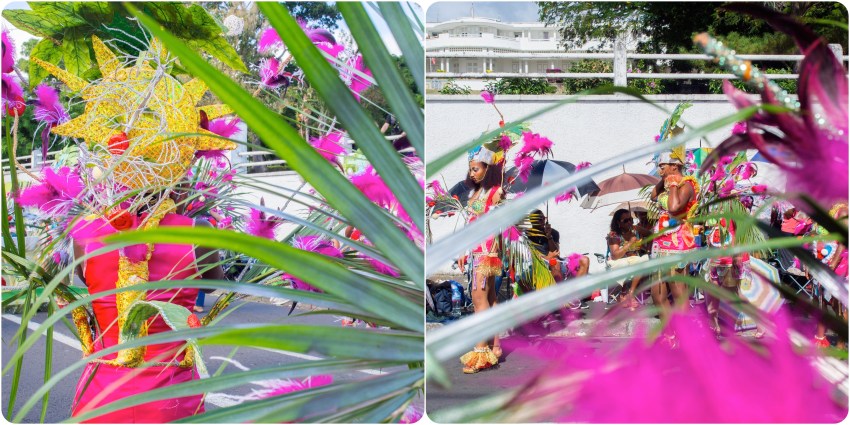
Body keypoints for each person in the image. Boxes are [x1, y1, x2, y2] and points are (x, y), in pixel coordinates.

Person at [71, 195, 224, 423]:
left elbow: (88, 279)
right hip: (171, 392)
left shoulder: (85, 230)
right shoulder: (197, 231)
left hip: (101, 391)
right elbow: (215, 284)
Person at [459, 141, 506, 374]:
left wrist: (500, 197)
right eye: (470, 169)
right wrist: (462, 251)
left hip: (487, 252)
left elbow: (500, 223)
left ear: (488, 168)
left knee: (479, 299)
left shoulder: (495, 191)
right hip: (476, 250)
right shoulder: (475, 193)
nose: (472, 173)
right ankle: (495, 344)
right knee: (489, 298)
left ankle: (481, 350)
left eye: (476, 168)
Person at [650, 149, 699, 346]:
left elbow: (673, 207)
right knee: (657, 294)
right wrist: (664, 180)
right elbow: (654, 196)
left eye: (663, 165)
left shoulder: (687, 185)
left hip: (678, 243)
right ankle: (670, 335)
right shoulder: (664, 184)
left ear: (675, 166)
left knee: (678, 292)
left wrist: (672, 184)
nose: (658, 168)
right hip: (660, 243)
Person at [606, 209, 650, 310]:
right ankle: (623, 293)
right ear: (618, 223)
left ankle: (631, 293)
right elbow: (615, 256)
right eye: (625, 221)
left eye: (630, 219)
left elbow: (650, 234)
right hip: (619, 260)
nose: (629, 222)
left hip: (634, 259)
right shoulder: (613, 234)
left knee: (643, 260)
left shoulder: (634, 230)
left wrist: (644, 246)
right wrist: (630, 243)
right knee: (625, 263)